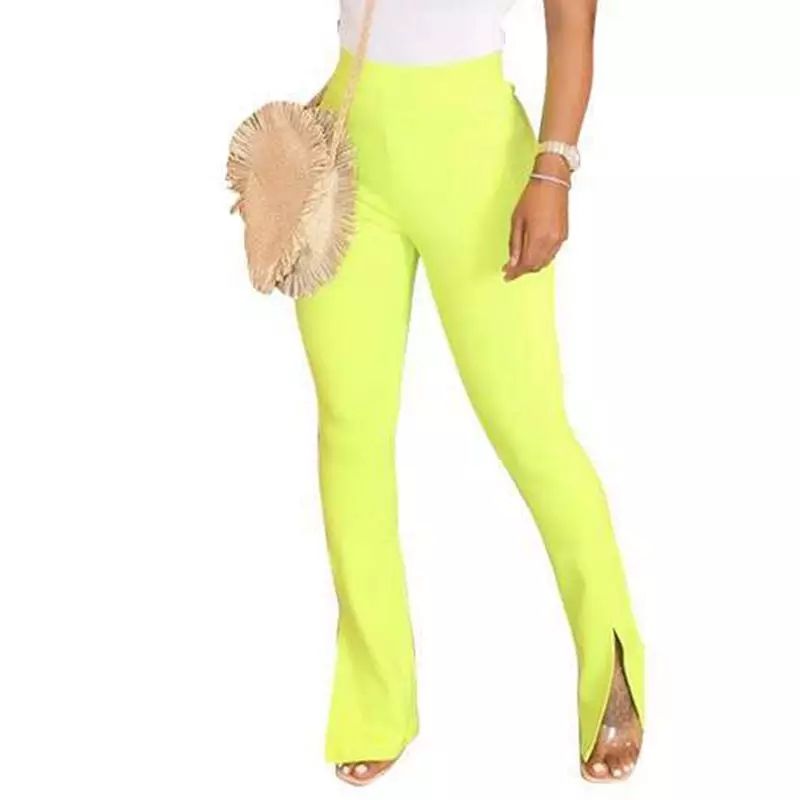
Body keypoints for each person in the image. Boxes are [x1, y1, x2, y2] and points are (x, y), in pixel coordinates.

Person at [294, 0, 644, 785]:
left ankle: (612, 668)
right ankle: (375, 701)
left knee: (530, 429)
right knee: (350, 430)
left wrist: (553, 169)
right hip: (347, 136)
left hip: (476, 156)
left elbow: (572, 25)